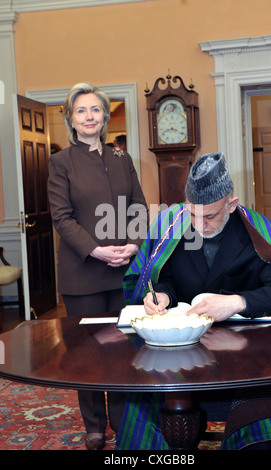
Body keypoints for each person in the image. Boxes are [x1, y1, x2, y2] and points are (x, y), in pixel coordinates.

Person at [116, 151, 271, 450]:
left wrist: (237, 302)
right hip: (181, 352)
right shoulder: (172, 226)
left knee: (262, 412)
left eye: (210, 216)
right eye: (193, 214)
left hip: (246, 356)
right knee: (146, 392)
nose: (200, 226)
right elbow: (166, 277)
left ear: (232, 203)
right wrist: (162, 294)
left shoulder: (257, 233)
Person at [47, 82, 148, 450]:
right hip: (83, 274)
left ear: (105, 117)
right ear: (71, 120)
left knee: (123, 350)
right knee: (87, 353)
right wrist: (97, 250)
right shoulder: (61, 162)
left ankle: (122, 422)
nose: (90, 117)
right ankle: (93, 425)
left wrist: (133, 245)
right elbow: (62, 217)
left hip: (123, 271)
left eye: (96, 110)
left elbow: (138, 206)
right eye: (81, 111)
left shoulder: (122, 157)